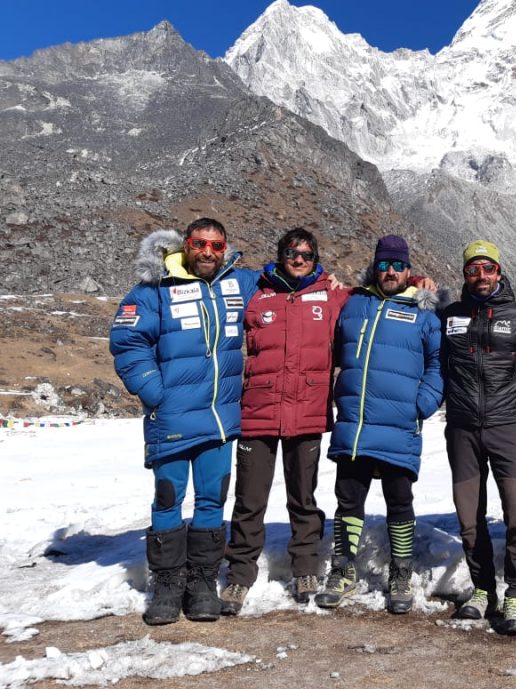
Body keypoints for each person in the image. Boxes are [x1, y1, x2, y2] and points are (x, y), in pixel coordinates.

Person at [110, 218, 261, 625]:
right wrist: (153, 391)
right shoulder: (153, 290)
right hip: (172, 417)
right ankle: (167, 585)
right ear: (185, 244)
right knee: (167, 499)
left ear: (225, 248)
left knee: (212, 499)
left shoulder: (239, 282)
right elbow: (127, 342)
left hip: (219, 419)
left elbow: (287, 279)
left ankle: (202, 583)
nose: (208, 252)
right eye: (200, 244)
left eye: (216, 245)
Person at [220, 228, 350, 615]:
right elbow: (213, 279)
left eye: (307, 255)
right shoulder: (253, 290)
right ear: (280, 255)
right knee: (249, 500)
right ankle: (240, 574)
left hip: (307, 412)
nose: (298, 260)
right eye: (292, 253)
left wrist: (416, 282)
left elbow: (374, 295)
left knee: (303, 498)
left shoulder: (331, 295)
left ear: (316, 259)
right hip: (257, 413)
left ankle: (306, 568)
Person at [316, 235, 444, 615]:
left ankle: (401, 573)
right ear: (376, 267)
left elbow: (440, 364)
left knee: (399, 502)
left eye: (397, 265)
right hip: (355, 423)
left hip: (399, 424)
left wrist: (421, 405)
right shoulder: (354, 304)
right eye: (384, 265)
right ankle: (343, 570)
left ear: (408, 269)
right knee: (348, 500)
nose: (390, 271)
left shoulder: (425, 312)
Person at [440, 240, 516, 635]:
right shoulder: (450, 315)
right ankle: (482, 589)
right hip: (461, 429)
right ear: (464, 274)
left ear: (500, 271)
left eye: (488, 269)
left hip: (505, 428)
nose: (481, 277)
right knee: (469, 518)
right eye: (472, 270)